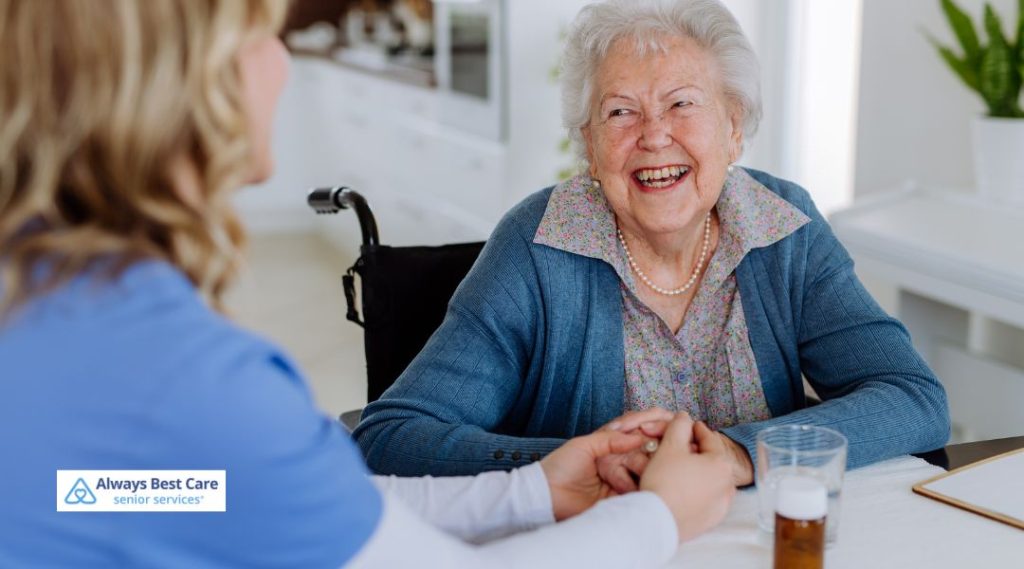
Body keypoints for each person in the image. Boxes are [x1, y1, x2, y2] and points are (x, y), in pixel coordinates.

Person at [0, 0, 737, 567]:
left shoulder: (48, 307)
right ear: (184, 83)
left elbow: (154, 492)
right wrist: (659, 517)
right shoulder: (186, 384)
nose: (283, 64)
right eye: (262, 33)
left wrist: (533, 490)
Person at [353, 0, 951, 491]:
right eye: (620, 112)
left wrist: (738, 456)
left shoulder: (783, 228)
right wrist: (581, 462)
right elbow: (392, 434)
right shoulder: (535, 246)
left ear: (734, 126)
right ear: (588, 144)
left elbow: (914, 398)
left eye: (682, 103)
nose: (655, 135)